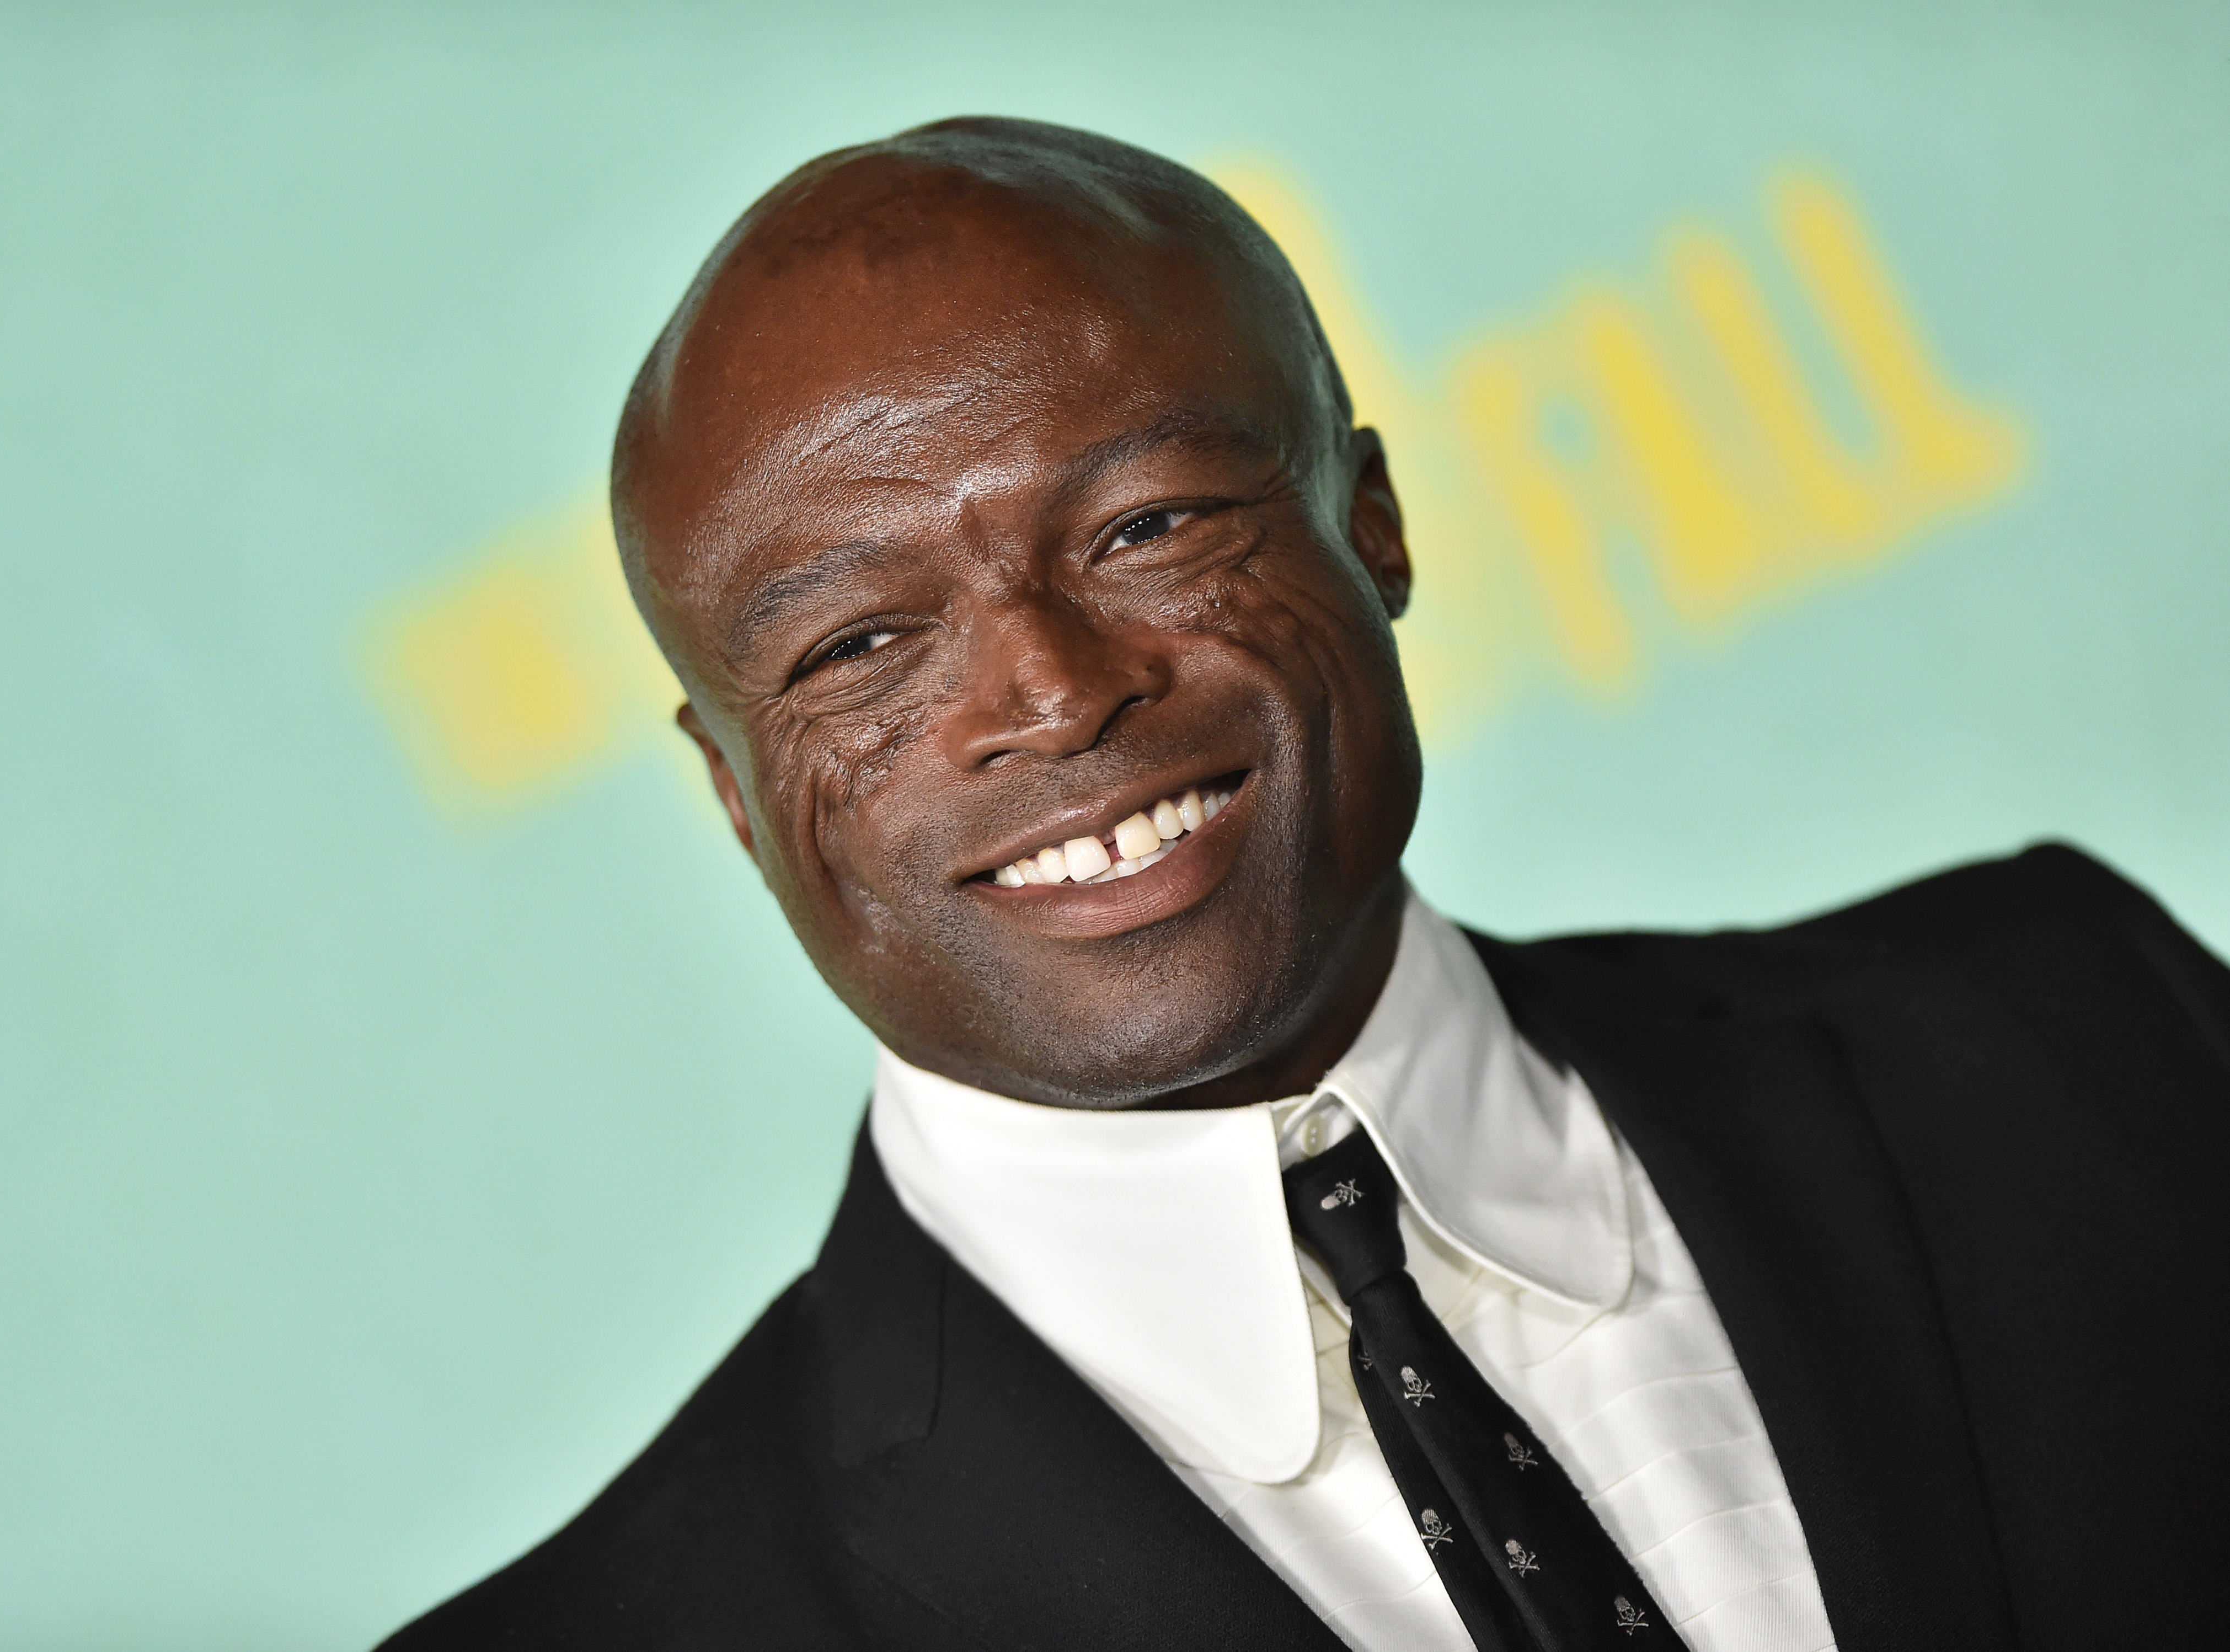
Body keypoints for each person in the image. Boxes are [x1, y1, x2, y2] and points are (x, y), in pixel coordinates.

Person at [378, 118, 2230, 1651]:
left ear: (1372, 522)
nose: (1051, 688)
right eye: (859, 643)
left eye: (1150, 525)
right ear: (729, 788)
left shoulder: (2090, 1041)